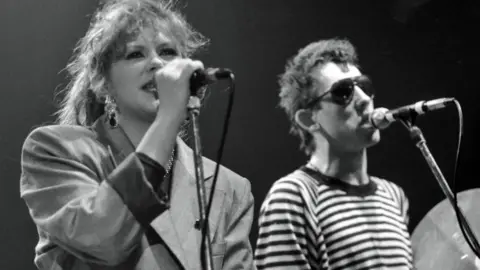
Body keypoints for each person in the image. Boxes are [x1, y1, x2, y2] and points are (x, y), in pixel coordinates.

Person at [19, 0, 256, 269]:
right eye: (135, 54)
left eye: (167, 52)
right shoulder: (57, 150)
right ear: (101, 82)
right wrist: (168, 118)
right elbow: (104, 242)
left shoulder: (230, 188)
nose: (156, 63)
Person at [254, 38, 413, 269]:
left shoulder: (394, 196)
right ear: (309, 119)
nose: (365, 99)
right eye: (344, 92)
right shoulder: (293, 197)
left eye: (364, 86)